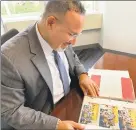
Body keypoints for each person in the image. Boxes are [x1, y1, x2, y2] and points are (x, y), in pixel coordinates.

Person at [1, 0, 99, 129]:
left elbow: (73, 57)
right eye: (71, 34)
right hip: (42, 119)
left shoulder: (60, 39)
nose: (74, 42)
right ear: (51, 22)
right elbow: (12, 111)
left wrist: (82, 75)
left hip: (68, 103)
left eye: (77, 34)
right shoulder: (8, 58)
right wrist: (56, 125)